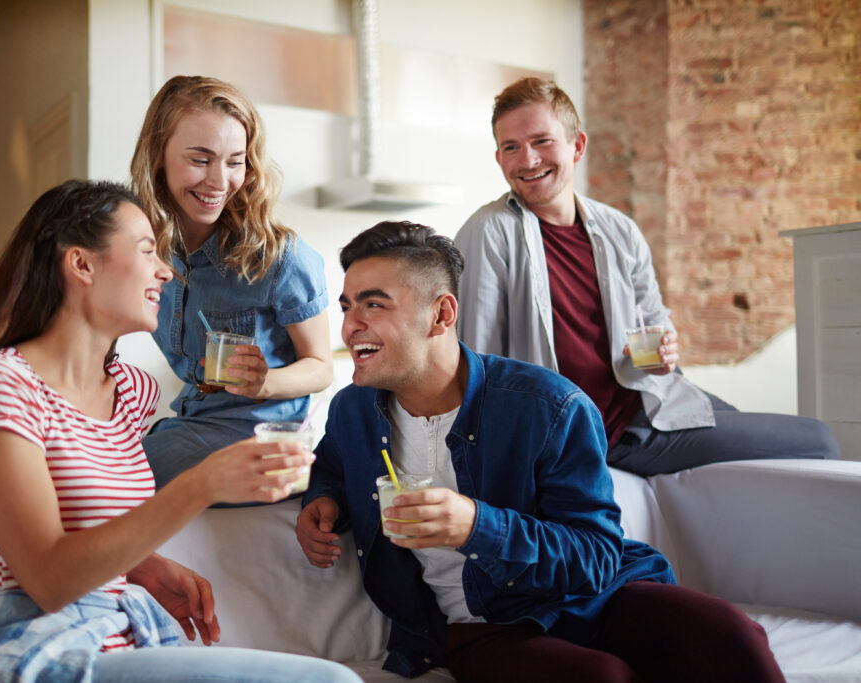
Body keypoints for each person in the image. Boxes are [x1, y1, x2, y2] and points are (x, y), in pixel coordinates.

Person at [295, 221, 786, 682]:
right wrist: (324, 502)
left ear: (441, 314)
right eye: (347, 307)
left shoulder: (549, 405)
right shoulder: (352, 412)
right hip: (486, 624)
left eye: (374, 305)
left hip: (600, 597)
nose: (350, 326)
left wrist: (476, 527)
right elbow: (332, 467)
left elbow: (594, 557)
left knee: (733, 636)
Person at [0, 179, 361, 683]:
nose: (164, 270)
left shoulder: (130, 390)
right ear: (81, 264)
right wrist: (202, 484)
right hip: (32, 651)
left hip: (117, 638)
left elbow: (82, 527)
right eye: (147, 250)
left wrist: (142, 566)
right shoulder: (0, 385)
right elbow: (47, 579)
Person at [454, 76, 838, 476]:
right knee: (818, 440)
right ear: (498, 158)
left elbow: (653, 323)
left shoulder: (619, 229)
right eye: (511, 147)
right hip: (605, 431)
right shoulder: (488, 231)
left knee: (751, 434)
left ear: (577, 146)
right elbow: (472, 359)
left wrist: (664, 355)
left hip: (651, 397)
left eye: (542, 141)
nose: (527, 160)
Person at [130, 75, 332, 487]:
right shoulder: (149, 251)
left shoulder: (278, 257)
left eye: (235, 161)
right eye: (201, 160)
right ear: (158, 157)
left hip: (258, 436)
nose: (220, 181)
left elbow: (321, 367)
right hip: (190, 422)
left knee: (112, 481)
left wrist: (265, 381)